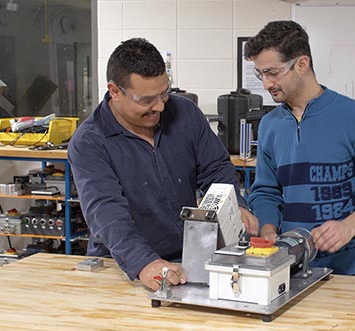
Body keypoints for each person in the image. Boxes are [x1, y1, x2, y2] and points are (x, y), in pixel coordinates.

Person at [68, 38, 258, 290]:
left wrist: (235, 206)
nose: (159, 106)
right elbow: (106, 212)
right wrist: (144, 263)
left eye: (163, 94)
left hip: (188, 259)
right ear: (114, 91)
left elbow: (216, 169)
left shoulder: (185, 113)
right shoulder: (90, 142)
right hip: (124, 266)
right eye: (146, 100)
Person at [245, 21, 355, 276]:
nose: (265, 84)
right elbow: (266, 191)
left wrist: (349, 226)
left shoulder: (354, 116)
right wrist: (268, 230)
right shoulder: (269, 126)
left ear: (302, 64)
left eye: (273, 72)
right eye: (260, 74)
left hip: (351, 269)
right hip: (291, 266)